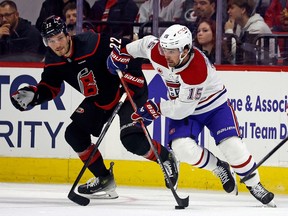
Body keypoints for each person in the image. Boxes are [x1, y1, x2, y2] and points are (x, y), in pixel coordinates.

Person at [107, 24, 276, 207]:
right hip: (184, 106)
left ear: (186, 50)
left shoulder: (197, 69)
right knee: (182, 149)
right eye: (165, 49)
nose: (165, 55)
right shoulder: (158, 51)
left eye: (171, 51)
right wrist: (121, 55)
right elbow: (144, 45)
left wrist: (156, 108)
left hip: (214, 106)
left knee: (232, 147)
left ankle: (254, 184)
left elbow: (182, 109)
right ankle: (219, 167)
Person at [10, 15, 179, 198]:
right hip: (101, 98)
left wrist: (124, 62)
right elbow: (50, 87)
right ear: (46, 42)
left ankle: (165, 157)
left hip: (128, 88)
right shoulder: (53, 60)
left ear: (67, 35)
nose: (57, 44)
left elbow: (130, 50)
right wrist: (34, 96)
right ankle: (104, 179)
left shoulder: (92, 42)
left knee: (131, 140)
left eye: (59, 37)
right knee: (74, 134)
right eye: (51, 40)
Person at [224, 0, 275, 64]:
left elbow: (243, 55)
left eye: (232, 8)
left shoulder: (257, 28)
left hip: (266, 69)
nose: (228, 11)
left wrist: (229, 31)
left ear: (243, 10)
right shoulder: (240, 26)